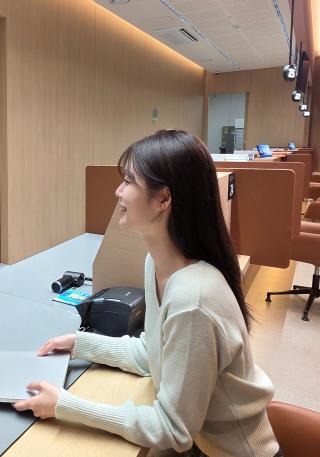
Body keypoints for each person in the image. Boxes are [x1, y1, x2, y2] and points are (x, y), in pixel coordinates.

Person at [14, 130, 282, 457]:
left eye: (128, 181)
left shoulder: (193, 299)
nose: (118, 191)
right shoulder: (155, 264)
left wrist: (65, 405)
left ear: (163, 199)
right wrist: (79, 343)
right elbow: (151, 352)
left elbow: (172, 429)